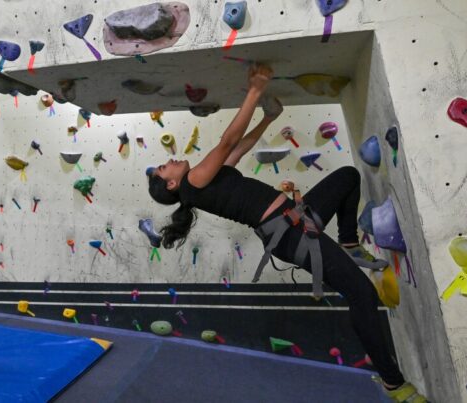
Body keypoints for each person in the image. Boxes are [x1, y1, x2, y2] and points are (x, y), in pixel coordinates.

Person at [147, 65, 428, 402]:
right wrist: (254, 90)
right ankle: (393, 383)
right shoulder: (194, 184)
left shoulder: (205, 180)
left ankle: (350, 242)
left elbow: (238, 149)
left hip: (298, 218)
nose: (171, 160)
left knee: (348, 177)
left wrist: (268, 118)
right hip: (291, 237)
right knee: (363, 296)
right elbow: (227, 141)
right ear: (172, 184)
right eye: (165, 167)